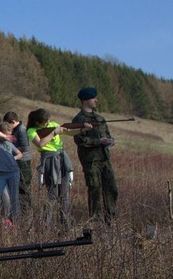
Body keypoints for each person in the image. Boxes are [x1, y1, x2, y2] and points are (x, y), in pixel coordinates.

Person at [26, 108, 89, 226]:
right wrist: (54, 132)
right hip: (49, 160)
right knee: (52, 194)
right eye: (45, 122)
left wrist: (82, 129)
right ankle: (46, 223)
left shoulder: (53, 125)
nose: (48, 124)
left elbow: (68, 131)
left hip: (61, 158)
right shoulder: (31, 131)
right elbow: (40, 143)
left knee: (64, 193)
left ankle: (65, 222)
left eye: (48, 121)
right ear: (37, 123)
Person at [72, 87, 118, 224]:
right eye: (94, 98)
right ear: (86, 100)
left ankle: (110, 221)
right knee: (95, 191)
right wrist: (99, 141)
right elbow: (79, 140)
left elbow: (107, 135)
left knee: (112, 189)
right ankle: (96, 223)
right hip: (91, 161)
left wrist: (109, 141)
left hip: (104, 159)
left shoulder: (100, 118)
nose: (96, 100)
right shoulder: (78, 120)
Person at [0, 121, 22, 225]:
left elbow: (20, 154)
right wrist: (5, 136)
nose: (9, 136)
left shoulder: (9, 144)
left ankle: (16, 221)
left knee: (14, 197)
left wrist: (13, 158)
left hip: (13, 172)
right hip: (1, 174)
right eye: (7, 133)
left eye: (10, 134)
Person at [0, 112, 32, 211]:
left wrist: (11, 151)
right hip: (17, 162)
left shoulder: (21, 130)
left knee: (23, 188)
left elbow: (25, 147)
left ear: (13, 122)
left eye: (9, 125)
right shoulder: (16, 130)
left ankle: (25, 212)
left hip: (23, 163)